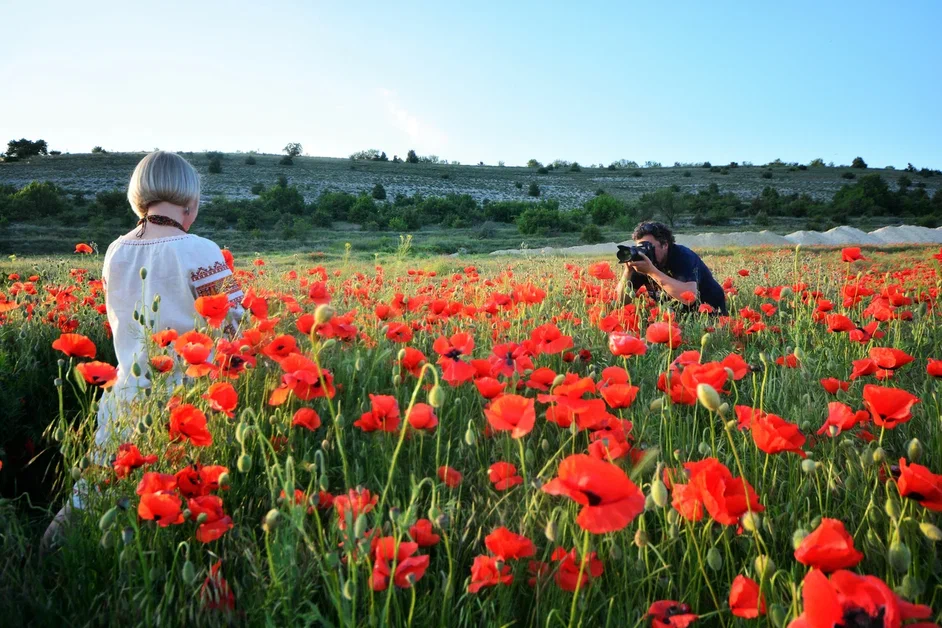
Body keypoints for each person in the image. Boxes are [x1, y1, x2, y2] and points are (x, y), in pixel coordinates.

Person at [43, 151, 244, 549]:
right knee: (167, 505)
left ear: (139, 198)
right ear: (192, 203)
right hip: (184, 403)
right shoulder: (200, 250)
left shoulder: (116, 250)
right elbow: (237, 323)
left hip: (124, 397)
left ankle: (38, 567)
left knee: (94, 495)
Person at [615, 221, 727, 315]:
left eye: (648, 247)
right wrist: (627, 272)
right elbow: (621, 302)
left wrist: (651, 271)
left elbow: (689, 298)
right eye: (640, 247)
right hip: (676, 316)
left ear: (665, 245)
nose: (644, 251)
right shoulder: (641, 262)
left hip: (710, 313)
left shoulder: (683, 256)